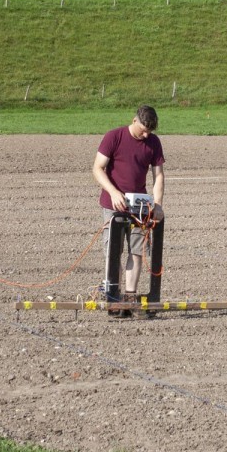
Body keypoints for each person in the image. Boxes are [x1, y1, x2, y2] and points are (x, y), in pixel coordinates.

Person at [92, 105, 165, 311]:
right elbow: (97, 168)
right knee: (113, 250)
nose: (145, 134)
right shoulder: (113, 137)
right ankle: (112, 293)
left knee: (137, 251)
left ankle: (130, 296)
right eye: (143, 129)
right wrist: (114, 192)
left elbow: (158, 176)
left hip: (138, 208)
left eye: (150, 131)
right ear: (134, 120)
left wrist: (157, 204)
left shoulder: (154, 143)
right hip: (112, 206)